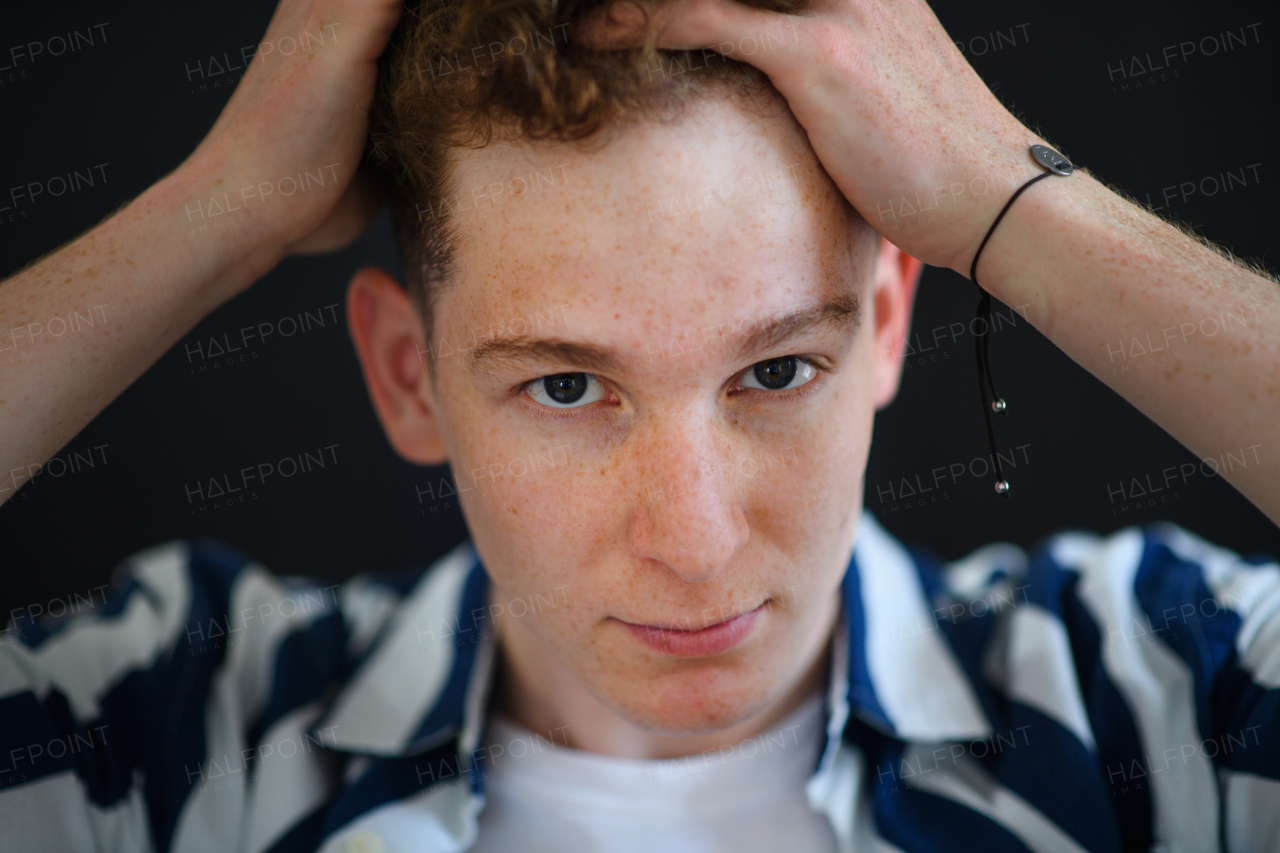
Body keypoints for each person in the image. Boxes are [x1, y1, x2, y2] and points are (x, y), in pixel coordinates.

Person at [1, 0, 1277, 850]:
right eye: (565, 388)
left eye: (775, 370)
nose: (694, 538)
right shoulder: (172, 740)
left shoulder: (1154, 696)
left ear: (886, 321)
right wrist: (221, 208)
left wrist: (1008, 195)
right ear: (406, 375)